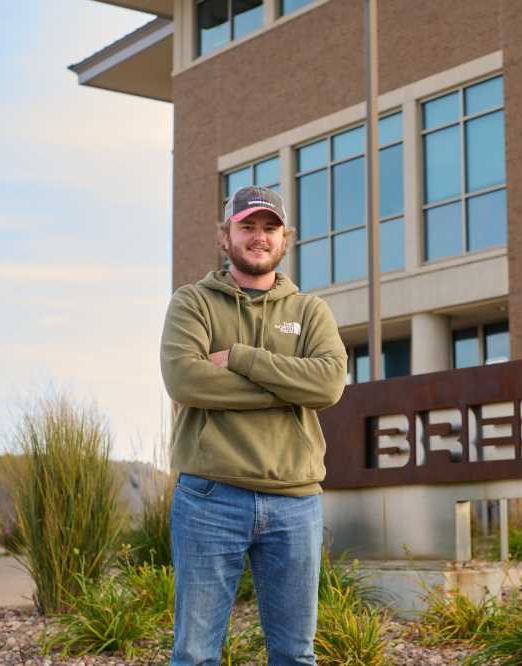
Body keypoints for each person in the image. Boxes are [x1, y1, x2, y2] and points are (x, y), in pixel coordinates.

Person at [159, 185, 347, 665]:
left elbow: (327, 385)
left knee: (294, 654)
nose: (258, 237)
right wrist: (287, 390)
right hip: (209, 497)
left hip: (295, 501)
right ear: (226, 236)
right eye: (247, 227)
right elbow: (185, 380)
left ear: (285, 239)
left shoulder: (310, 311)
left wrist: (242, 358)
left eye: (270, 228)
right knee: (196, 654)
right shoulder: (193, 303)